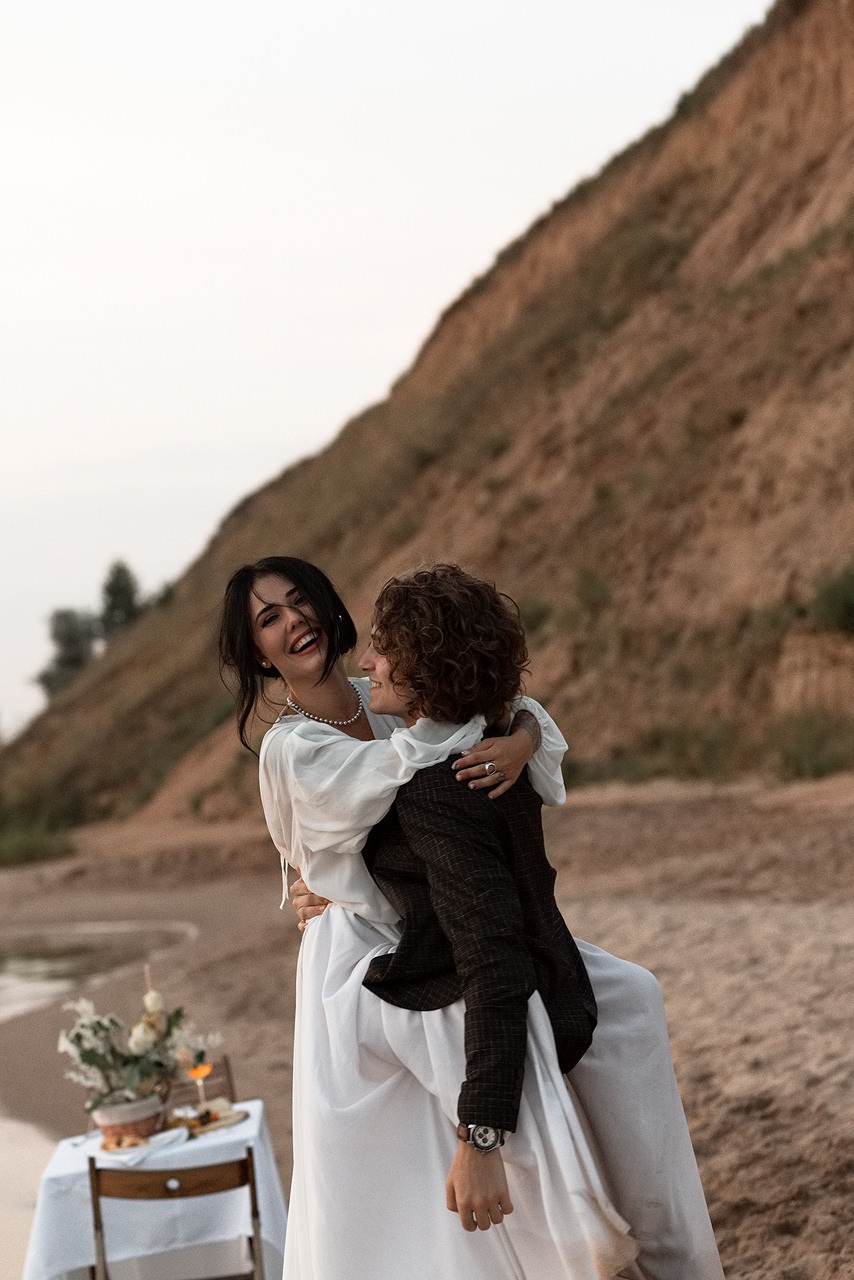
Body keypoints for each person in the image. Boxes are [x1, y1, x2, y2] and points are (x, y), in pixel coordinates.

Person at [219, 557, 724, 1280]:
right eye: (269, 618)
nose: (292, 620)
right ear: (257, 651)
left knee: (627, 996)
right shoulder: (295, 746)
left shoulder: (385, 691)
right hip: (367, 946)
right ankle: (560, 1222)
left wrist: (516, 734)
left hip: (446, 916)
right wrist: (492, 730)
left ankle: (618, 1217)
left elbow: (478, 712)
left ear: (328, 607)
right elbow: (407, 764)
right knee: (427, 1140)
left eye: (299, 601)